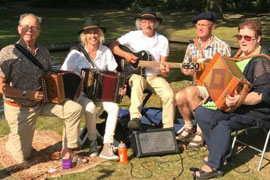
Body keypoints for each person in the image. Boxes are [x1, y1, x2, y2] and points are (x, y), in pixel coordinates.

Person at [0, 13, 87, 164]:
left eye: (34, 27)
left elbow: (48, 75)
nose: (29, 30)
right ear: (18, 29)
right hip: (20, 107)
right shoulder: (7, 52)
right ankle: (13, 141)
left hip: (43, 102)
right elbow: (2, 87)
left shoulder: (44, 52)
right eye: (26, 26)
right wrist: (28, 94)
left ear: (39, 31)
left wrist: (70, 88)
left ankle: (68, 150)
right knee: (22, 157)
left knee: (74, 109)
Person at [192, 19, 270, 179]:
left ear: (258, 38)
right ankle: (219, 151)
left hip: (255, 109)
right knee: (200, 112)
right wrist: (212, 94)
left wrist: (240, 101)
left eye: (248, 37)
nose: (242, 40)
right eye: (240, 36)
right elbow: (226, 80)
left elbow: (261, 94)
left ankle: (214, 166)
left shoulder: (261, 60)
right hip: (232, 104)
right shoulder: (239, 54)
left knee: (222, 121)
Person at [61, 17, 125, 160]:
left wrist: (121, 86)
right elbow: (62, 73)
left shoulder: (105, 51)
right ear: (84, 36)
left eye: (96, 32)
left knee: (114, 107)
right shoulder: (76, 53)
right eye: (89, 33)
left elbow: (115, 74)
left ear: (100, 35)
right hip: (82, 95)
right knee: (90, 107)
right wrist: (74, 87)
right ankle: (92, 143)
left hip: (102, 94)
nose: (93, 35)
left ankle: (107, 146)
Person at [110, 7, 175, 130]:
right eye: (144, 21)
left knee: (169, 95)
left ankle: (168, 128)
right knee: (138, 80)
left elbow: (163, 66)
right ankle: (135, 119)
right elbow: (113, 45)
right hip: (134, 75)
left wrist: (165, 71)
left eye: (150, 21)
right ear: (140, 23)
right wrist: (127, 56)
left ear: (156, 24)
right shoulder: (133, 35)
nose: (147, 24)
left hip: (154, 76)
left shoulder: (163, 40)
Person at [175, 12, 231, 148]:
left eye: (204, 25)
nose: (200, 28)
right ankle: (189, 126)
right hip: (196, 84)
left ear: (212, 27)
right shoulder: (191, 46)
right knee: (179, 96)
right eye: (198, 25)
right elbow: (184, 65)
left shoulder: (222, 46)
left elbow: (230, 72)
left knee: (190, 92)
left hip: (215, 87)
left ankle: (202, 131)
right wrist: (186, 70)